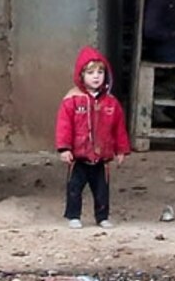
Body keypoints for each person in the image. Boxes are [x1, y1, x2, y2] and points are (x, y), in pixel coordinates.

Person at [54, 45, 132, 228]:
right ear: (81, 75)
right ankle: (74, 216)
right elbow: (64, 126)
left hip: (101, 158)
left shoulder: (111, 103)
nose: (96, 76)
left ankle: (102, 217)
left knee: (102, 190)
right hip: (78, 157)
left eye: (100, 71)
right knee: (74, 188)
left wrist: (121, 150)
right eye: (90, 72)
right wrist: (64, 148)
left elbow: (119, 128)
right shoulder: (72, 100)